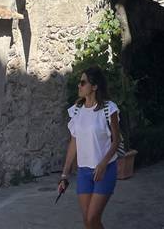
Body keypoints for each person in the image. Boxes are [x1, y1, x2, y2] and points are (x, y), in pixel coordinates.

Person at [58, 66, 120, 229]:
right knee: (87, 220)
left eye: (83, 82)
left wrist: (103, 163)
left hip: (105, 170)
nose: (79, 85)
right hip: (84, 172)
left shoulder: (109, 108)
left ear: (94, 86)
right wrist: (65, 174)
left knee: (93, 218)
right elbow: (74, 143)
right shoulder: (77, 110)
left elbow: (116, 141)